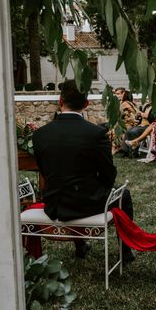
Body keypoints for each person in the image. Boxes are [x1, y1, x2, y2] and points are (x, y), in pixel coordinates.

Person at [32, 80, 135, 261]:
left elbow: (43, 171)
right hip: (87, 202)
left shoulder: (40, 134)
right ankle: (125, 252)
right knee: (123, 195)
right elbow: (108, 173)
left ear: (60, 102)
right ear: (86, 104)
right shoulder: (96, 134)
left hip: (54, 202)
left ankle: (81, 245)